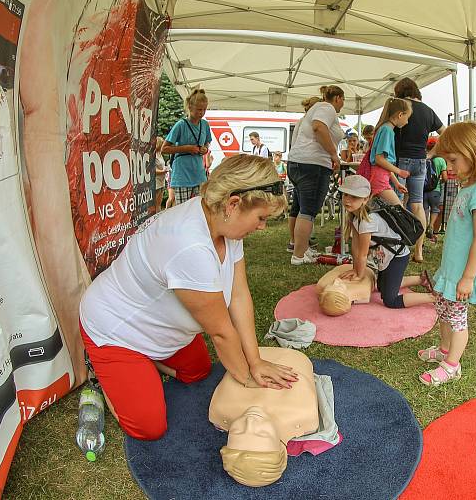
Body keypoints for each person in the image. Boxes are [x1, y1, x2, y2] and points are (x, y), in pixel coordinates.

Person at [78, 155, 298, 440]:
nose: (262, 227)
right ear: (233, 203)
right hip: (115, 328)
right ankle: (104, 365)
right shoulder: (189, 244)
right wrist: (247, 381)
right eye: (261, 218)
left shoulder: (224, 225)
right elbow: (220, 332)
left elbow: (239, 295)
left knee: (198, 371)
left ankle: (142, 363)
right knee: (148, 427)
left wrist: (254, 360)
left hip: (157, 326)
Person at [416, 122, 476, 386]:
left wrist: (468, 278)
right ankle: (443, 349)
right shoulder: (466, 187)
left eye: (452, 160)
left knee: (458, 319)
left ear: (472, 152)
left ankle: (452, 365)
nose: (448, 167)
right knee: (444, 312)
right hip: (452, 270)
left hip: (464, 274)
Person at [209, 347, 320, 487]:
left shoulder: (220, 409)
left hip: (247, 353)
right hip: (292, 356)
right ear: (282, 450)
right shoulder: (303, 414)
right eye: (262, 433)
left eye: (237, 431)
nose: (250, 421)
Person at [338, 175, 435, 309]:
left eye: (354, 197)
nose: (348, 200)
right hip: (387, 257)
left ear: (366, 199)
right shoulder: (355, 218)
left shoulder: (367, 222)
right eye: (346, 195)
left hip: (397, 257)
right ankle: (421, 279)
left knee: (391, 300)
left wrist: (359, 275)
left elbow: (363, 254)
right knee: (381, 287)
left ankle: (435, 297)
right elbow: (355, 246)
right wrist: (355, 269)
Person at [287, 85, 344, 265]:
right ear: (337, 98)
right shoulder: (326, 108)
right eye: (343, 100)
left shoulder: (316, 109)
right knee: (308, 210)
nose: (343, 104)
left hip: (298, 163)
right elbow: (319, 127)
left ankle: (301, 248)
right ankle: (298, 255)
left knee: (301, 208)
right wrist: (334, 154)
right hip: (313, 165)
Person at [393, 77, 446, 263]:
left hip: (399, 161)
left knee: (397, 203)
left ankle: (397, 247)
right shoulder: (428, 110)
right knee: (417, 204)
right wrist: (431, 154)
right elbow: (445, 133)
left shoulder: (399, 105)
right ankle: (419, 251)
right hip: (420, 161)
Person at [163, 88, 212, 205]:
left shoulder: (205, 124)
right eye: (199, 109)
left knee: (199, 209)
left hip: (199, 175)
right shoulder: (181, 125)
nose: (202, 113)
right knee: (183, 210)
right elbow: (164, 148)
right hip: (182, 175)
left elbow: (207, 143)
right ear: (190, 107)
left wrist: (204, 149)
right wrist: (187, 148)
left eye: (204, 109)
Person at [359, 98, 412, 205]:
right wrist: (399, 171)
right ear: (400, 115)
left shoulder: (384, 129)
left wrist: (396, 183)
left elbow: (384, 164)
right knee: (399, 210)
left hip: (380, 177)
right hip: (380, 179)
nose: (407, 122)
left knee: (379, 211)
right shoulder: (387, 130)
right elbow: (379, 160)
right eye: (407, 118)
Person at [424, 143, 448, 240]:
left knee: (424, 209)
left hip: (424, 189)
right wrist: (439, 181)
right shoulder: (441, 160)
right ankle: (431, 225)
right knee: (435, 209)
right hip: (435, 190)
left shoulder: (424, 158)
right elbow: (445, 178)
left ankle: (424, 224)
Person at [154, 137, 168, 209]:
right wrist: (163, 171)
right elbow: (152, 170)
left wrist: (166, 168)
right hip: (156, 181)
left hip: (162, 180)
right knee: (155, 204)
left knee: (159, 203)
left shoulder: (160, 154)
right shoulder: (153, 154)